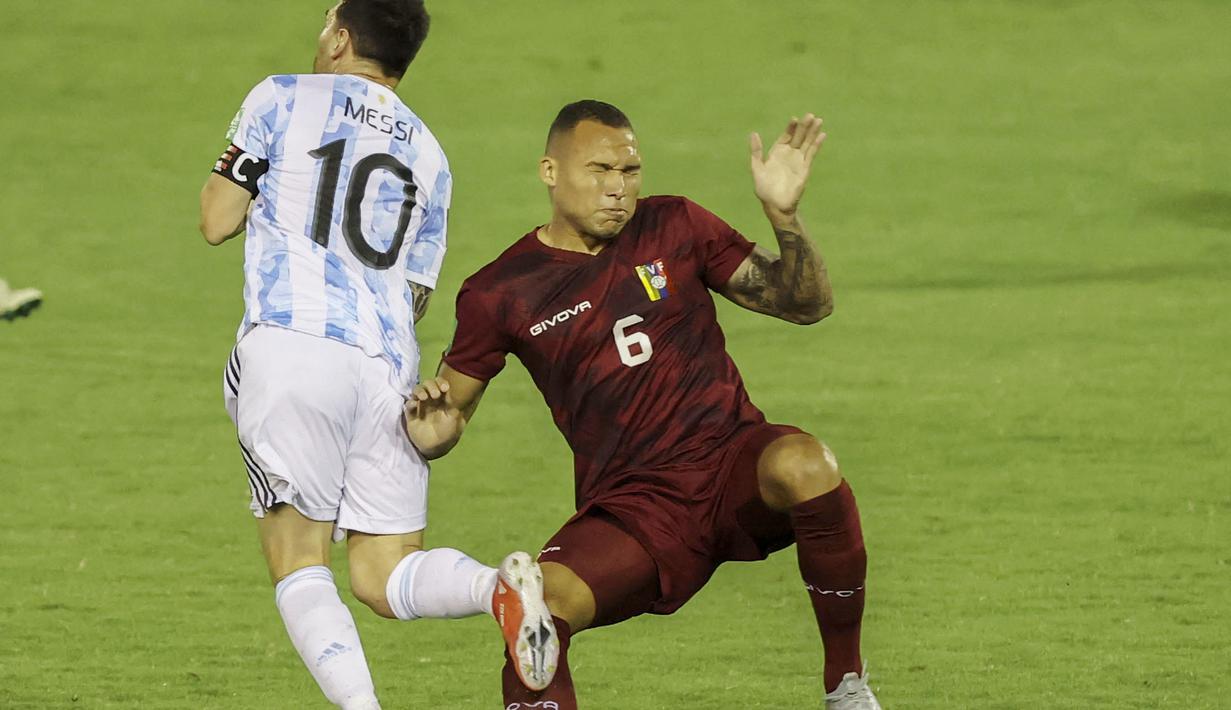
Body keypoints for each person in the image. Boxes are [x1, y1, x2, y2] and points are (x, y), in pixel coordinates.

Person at [406, 100, 882, 709]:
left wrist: (783, 216)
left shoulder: (675, 225)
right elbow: (450, 416)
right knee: (538, 608)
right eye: (600, 170)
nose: (618, 189)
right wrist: (428, 423)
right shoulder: (500, 291)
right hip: (635, 506)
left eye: (630, 172)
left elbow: (804, 304)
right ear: (550, 172)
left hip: (730, 461)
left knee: (806, 464)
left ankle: (847, 686)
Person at [197, 2, 556, 707]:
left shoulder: (280, 97)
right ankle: (497, 589)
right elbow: (414, 294)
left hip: (293, 347)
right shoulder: (430, 155)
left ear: (339, 37)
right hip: (388, 371)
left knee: (300, 562)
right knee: (384, 573)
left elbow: (217, 218)